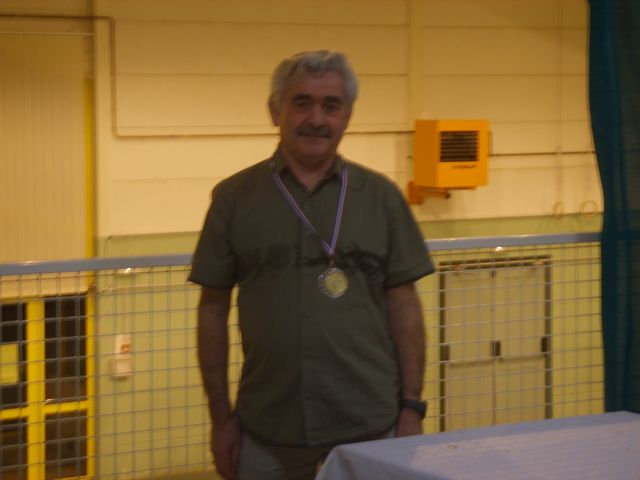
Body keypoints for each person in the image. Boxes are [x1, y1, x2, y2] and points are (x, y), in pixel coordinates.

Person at [190, 50, 435, 480]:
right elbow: (212, 309)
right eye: (301, 102)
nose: (316, 119)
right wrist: (221, 419)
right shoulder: (233, 199)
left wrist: (411, 408)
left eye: (331, 105)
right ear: (275, 110)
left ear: (347, 116)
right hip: (268, 427)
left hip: (370, 423)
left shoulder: (381, 198)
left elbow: (405, 306)